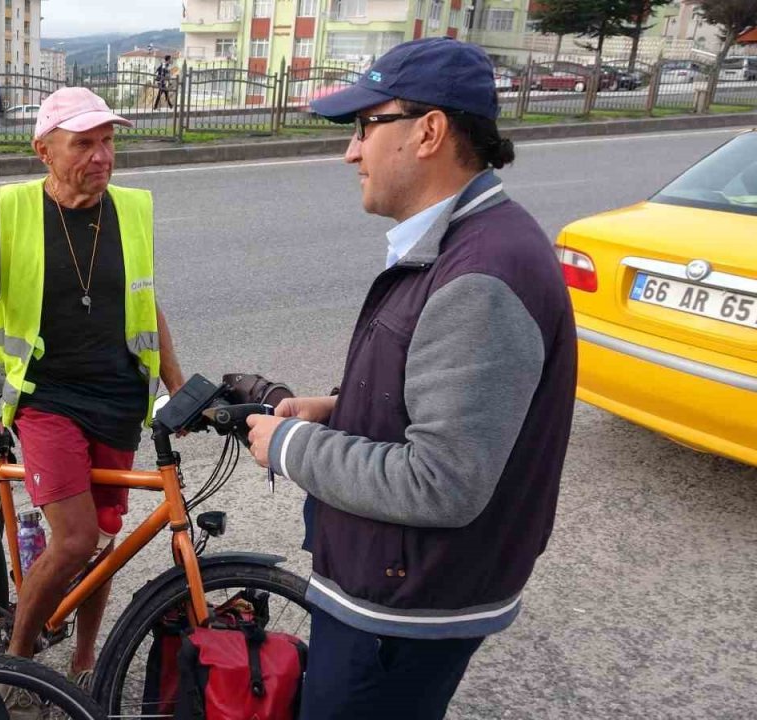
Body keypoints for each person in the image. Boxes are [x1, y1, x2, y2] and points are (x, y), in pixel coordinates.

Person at [244, 38, 577, 719]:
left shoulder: (482, 273)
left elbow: (443, 480)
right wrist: (338, 409)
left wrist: (286, 446)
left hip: (404, 607)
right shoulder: (463, 244)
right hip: (399, 588)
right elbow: (440, 399)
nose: (351, 151)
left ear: (428, 131)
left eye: (368, 125)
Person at [0, 87, 186, 693]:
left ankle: (85, 661)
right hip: (48, 399)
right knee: (73, 538)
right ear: (43, 150)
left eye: (108, 141)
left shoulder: (132, 210)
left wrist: (180, 388)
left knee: (100, 543)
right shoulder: (12, 209)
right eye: (84, 143)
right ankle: (18, 669)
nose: (101, 156)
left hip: (120, 400)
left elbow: (146, 305)